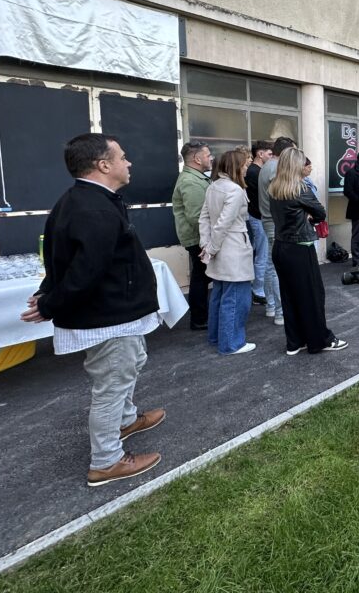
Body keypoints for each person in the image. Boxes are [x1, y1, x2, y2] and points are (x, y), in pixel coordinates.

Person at [21, 133, 164, 487]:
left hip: (116, 313)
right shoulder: (93, 208)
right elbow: (84, 271)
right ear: (104, 165)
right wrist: (50, 302)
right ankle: (106, 461)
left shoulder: (85, 201)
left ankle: (126, 420)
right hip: (108, 317)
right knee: (112, 385)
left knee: (130, 367)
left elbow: (60, 259)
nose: (128, 163)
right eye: (122, 157)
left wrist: (47, 294)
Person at [270, 147, 348, 355]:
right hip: (299, 248)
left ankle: (295, 341)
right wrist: (308, 217)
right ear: (297, 165)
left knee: (290, 296)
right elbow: (321, 212)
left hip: (280, 246)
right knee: (312, 296)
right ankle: (319, 340)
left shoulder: (274, 187)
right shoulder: (300, 188)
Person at [199, 149, 255, 356]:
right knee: (236, 298)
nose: (247, 168)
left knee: (220, 295)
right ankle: (231, 343)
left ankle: (217, 337)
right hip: (233, 249)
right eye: (244, 165)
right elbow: (223, 223)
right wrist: (210, 249)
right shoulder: (235, 190)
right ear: (236, 167)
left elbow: (204, 218)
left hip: (219, 249)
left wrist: (206, 246)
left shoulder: (213, 187)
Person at [171, 140, 212, 330]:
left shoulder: (197, 178)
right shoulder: (191, 181)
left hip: (198, 237)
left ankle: (200, 317)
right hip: (198, 238)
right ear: (197, 158)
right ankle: (199, 318)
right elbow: (197, 217)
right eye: (207, 155)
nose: (210, 158)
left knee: (201, 276)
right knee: (201, 277)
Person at [258, 136, 296, 326]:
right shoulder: (275, 168)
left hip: (269, 221)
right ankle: (281, 312)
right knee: (279, 269)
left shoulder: (267, 166)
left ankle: (272, 307)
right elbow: (282, 196)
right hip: (276, 223)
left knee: (271, 265)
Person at [244, 140, 272, 306]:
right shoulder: (256, 172)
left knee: (262, 254)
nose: (271, 156)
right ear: (260, 154)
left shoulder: (257, 171)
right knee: (262, 255)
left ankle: (259, 288)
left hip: (259, 217)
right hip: (259, 218)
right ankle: (258, 290)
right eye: (269, 153)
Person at [342, 150, 359, 270]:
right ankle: (356, 259)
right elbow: (348, 191)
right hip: (357, 209)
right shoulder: (351, 173)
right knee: (357, 235)